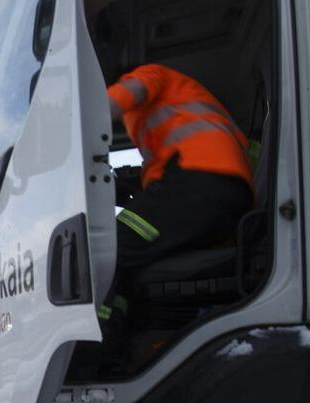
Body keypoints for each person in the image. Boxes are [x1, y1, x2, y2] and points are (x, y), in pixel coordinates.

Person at [107, 64, 254, 272]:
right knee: (137, 255)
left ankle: (106, 305)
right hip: (230, 195)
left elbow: (120, 97)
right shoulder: (174, 107)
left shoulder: (150, 72)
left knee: (111, 247)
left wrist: (75, 120)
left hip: (200, 180)